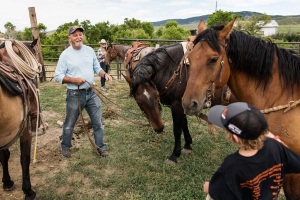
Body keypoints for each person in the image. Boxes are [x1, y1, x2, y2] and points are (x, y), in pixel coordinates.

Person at [203, 102, 300, 199]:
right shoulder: (275, 147)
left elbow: (219, 193)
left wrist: (209, 188)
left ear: (235, 138)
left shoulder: (232, 166)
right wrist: (276, 140)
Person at [54, 26, 112, 158]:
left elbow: (97, 68)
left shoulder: (90, 50)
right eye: (75, 35)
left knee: (98, 122)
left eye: (80, 34)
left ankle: (101, 147)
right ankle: (66, 147)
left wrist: (105, 74)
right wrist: (74, 80)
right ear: (70, 38)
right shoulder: (65, 55)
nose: (78, 37)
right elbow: (58, 76)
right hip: (75, 94)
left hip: (91, 93)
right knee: (69, 124)